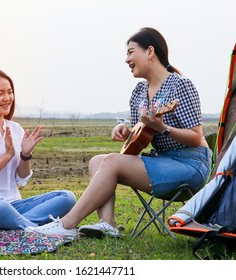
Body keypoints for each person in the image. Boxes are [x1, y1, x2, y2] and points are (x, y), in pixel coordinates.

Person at [25, 27, 212, 238]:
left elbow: (196, 137)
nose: (126, 59)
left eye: (131, 52)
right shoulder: (138, 93)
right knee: (97, 161)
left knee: (112, 161)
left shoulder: (180, 85)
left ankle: (67, 225)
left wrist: (163, 128)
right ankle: (107, 224)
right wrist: (128, 132)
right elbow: (141, 137)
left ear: (150, 51)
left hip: (191, 165)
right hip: (163, 161)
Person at [0, 69, 76, 230]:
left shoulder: (16, 129)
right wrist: (7, 156)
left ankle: (24, 226)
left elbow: (22, 179)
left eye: (10, 92)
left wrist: (25, 155)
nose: (7, 98)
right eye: (0, 93)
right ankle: (36, 229)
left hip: (14, 205)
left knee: (67, 197)